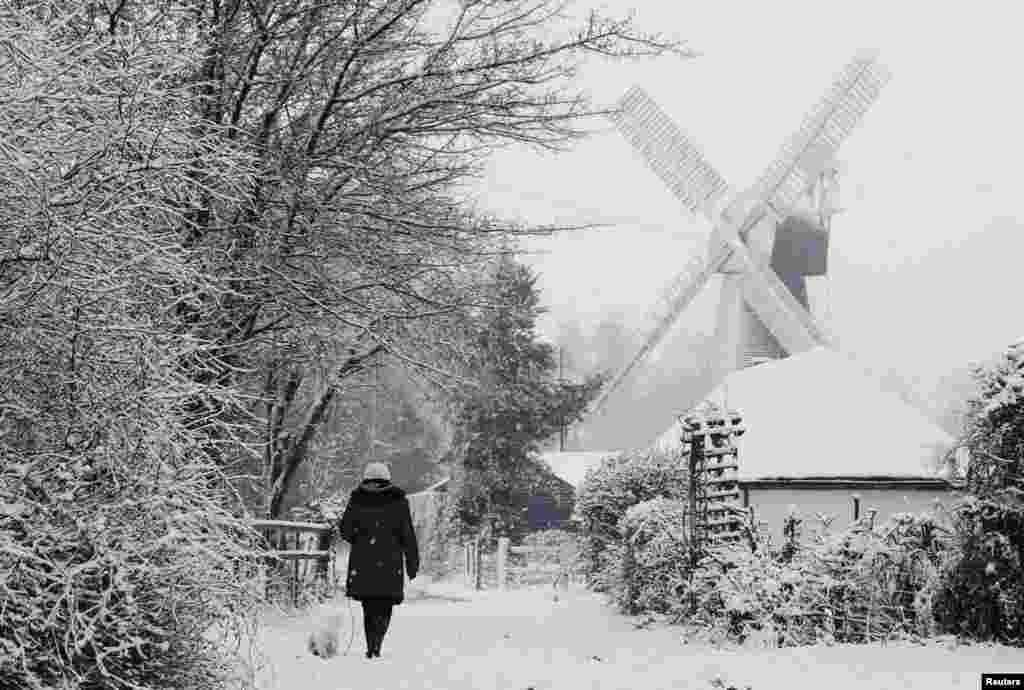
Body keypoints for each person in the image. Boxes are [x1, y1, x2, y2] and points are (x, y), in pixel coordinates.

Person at [338, 461, 420, 659]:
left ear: (366, 478)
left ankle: (371, 646)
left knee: (369, 605)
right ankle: (377, 643)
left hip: (363, 562)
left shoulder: (357, 499)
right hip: (390, 563)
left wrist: (360, 538)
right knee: (385, 604)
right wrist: (412, 562)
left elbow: (345, 531)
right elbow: (407, 534)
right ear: (387, 479)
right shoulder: (399, 501)